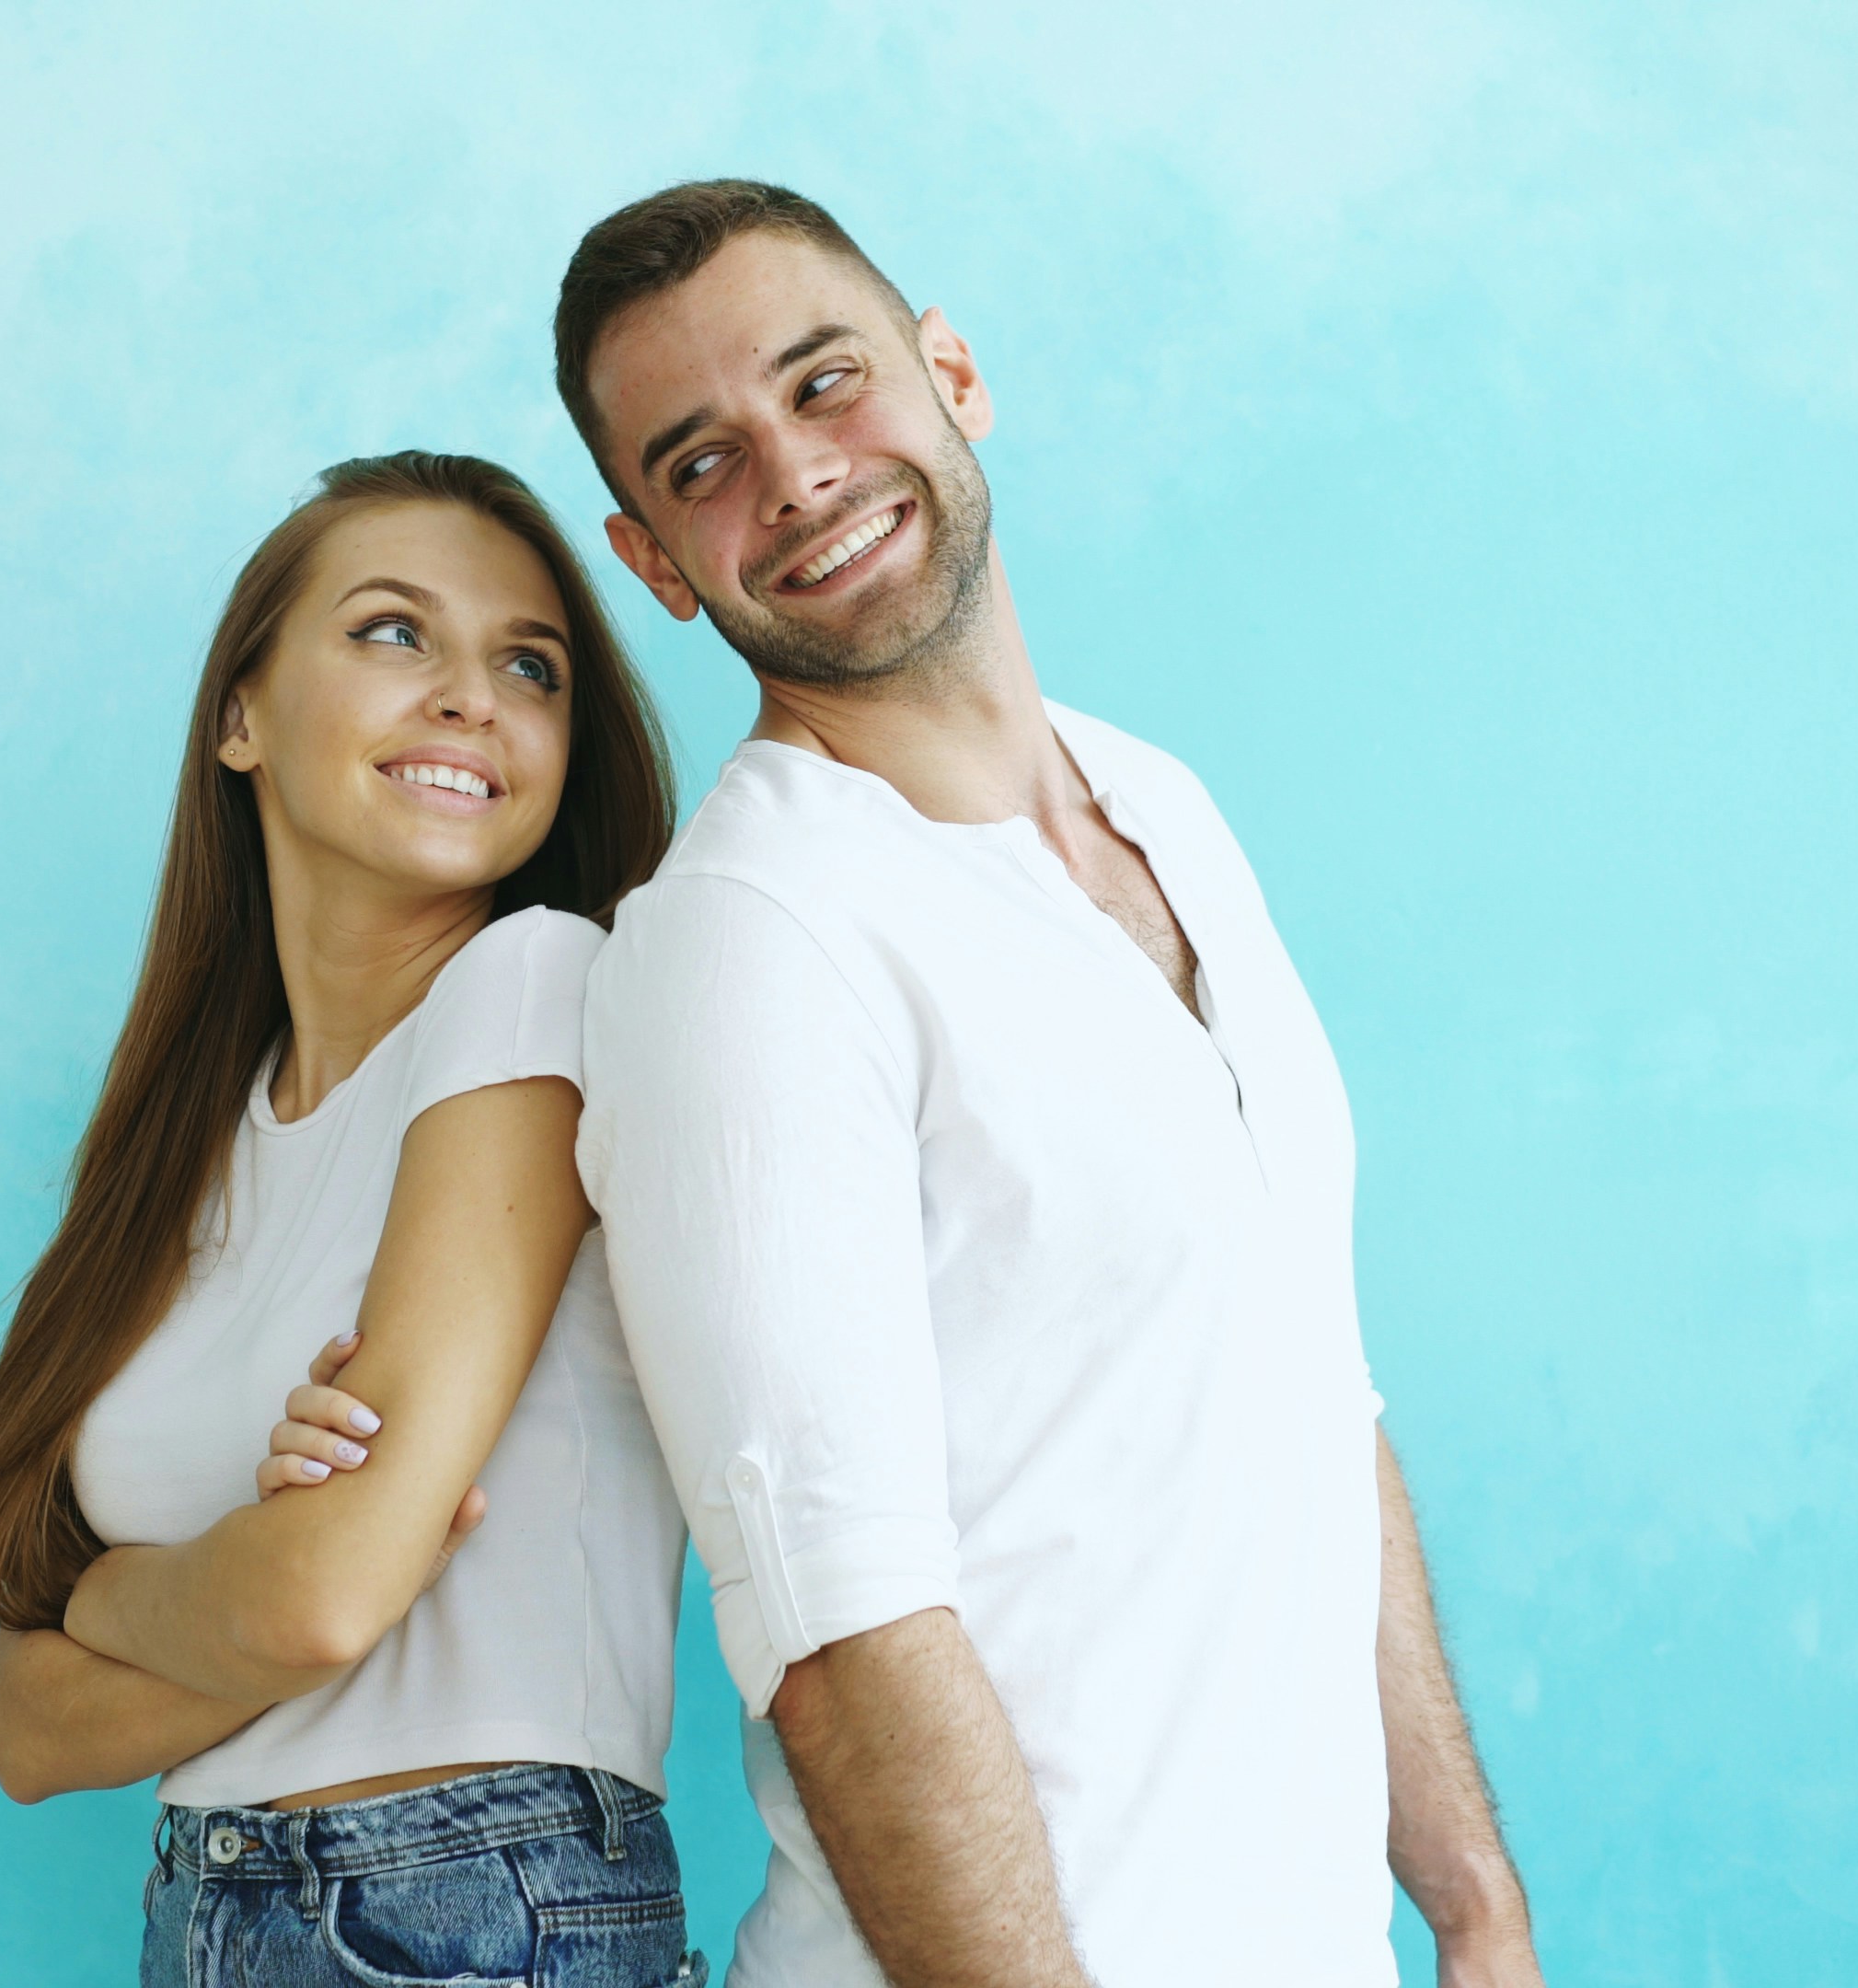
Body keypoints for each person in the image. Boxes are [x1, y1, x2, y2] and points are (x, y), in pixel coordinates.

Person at [548, 180, 1549, 1987]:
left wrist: (1473, 1908)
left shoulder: (1164, 804)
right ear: (653, 563)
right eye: (703, 464)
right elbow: (849, 1644)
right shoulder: (750, 938)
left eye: (825, 383)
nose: (794, 477)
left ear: (952, 372)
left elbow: (1319, 1393)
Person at [0, 451, 701, 1988]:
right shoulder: (183, 1156)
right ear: (238, 714)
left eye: (531, 665)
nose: (470, 696)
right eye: (391, 632)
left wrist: (118, 1603)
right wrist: (215, 1588)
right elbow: (24, 1734)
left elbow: (320, 1599)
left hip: (469, 1901)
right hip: (216, 1910)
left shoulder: (536, 984)